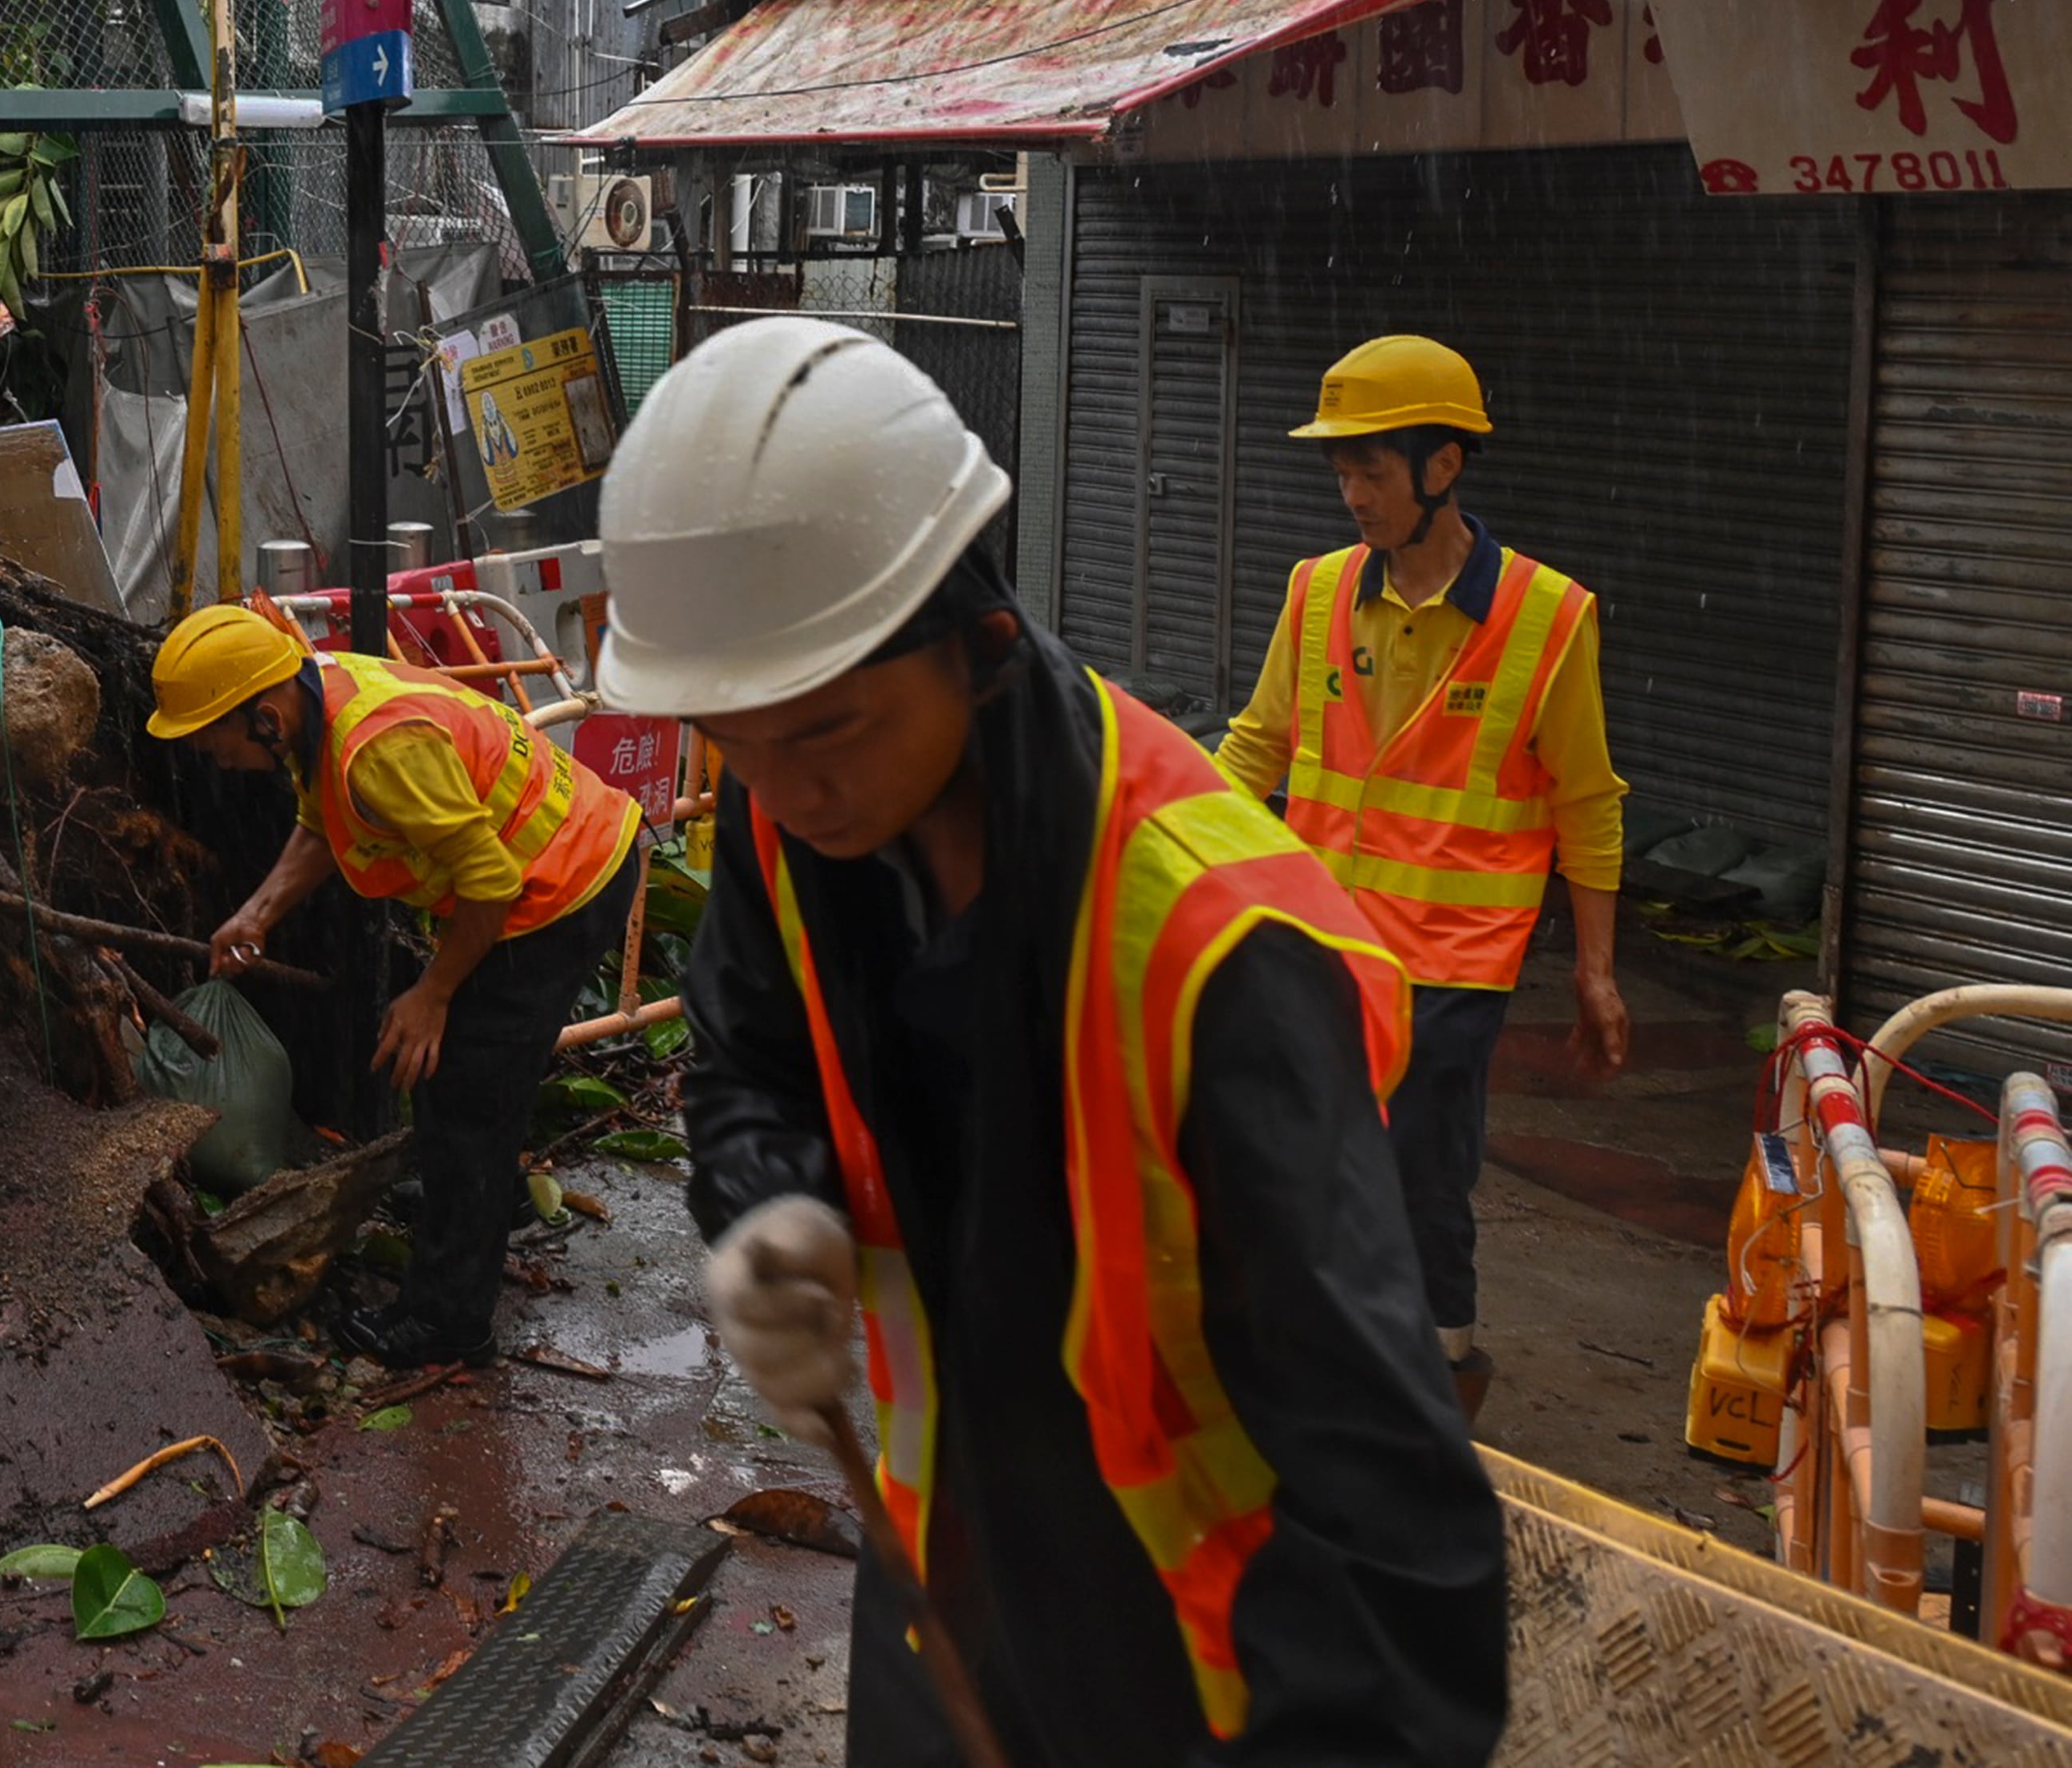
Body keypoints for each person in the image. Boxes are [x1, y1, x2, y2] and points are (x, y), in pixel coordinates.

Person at [600, 319, 1502, 1768]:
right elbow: (744, 1055)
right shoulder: (789, 816)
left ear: (984, 648)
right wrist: (768, 1198)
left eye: (823, 729)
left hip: (1203, 1665)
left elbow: (1394, 1503)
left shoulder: (1221, 952)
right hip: (942, 1599)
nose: (780, 785)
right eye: (733, 739)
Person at [1214, 335, 1629, 1419]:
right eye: (1341, 471)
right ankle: (1323, 1358)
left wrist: (1596, 969)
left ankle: (1439, 1376)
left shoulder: (1548, 620)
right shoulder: (1315, 596)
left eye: (1373, 471)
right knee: (1299, 1149)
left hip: (1453, 966)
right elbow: (1255, 748)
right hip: (1320, 942)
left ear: (1443, 467)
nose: (1352, 495)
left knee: (1419, 1175)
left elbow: (1587, 798)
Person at [144, 601, 640, 1368]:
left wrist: (432, 993)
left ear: (267, 717)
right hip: (544, 867)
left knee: (467, 1091)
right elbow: (323, 818)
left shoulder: (381, 750)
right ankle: (484, 1200)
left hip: (558, 886)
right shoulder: (321, 697)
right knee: (453, 1081)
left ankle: (448, 1325)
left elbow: (490, 880)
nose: (215, 756)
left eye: (216, 737)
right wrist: (257, 913)